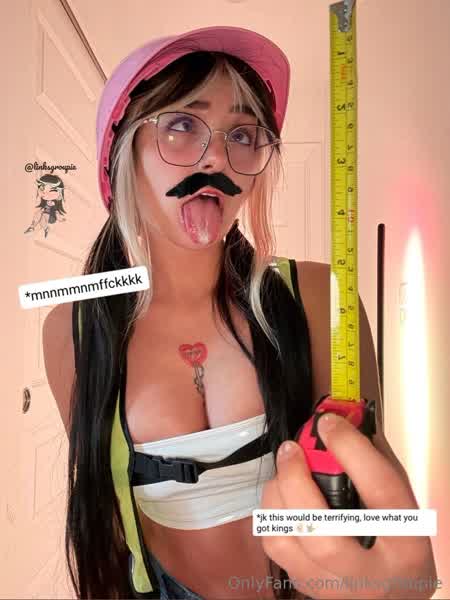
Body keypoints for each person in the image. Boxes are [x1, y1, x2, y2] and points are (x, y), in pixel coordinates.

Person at [43, 26, 437, 600]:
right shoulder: (73, 327)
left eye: (244, 135)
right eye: (182, 125)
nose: (218, 158)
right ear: (122, 149)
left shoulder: (320, 296)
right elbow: (105, 514)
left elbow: (368, 496)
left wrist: (401, 581)